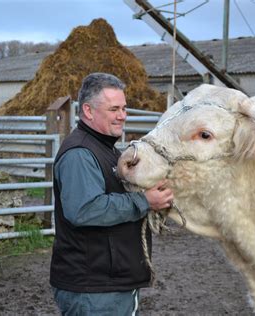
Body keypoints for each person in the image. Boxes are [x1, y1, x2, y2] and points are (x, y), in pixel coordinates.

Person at [50, 73, 173, 315]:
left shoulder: (106, 149)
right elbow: (85, 209)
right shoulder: (80, 154)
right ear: (88, 110)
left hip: (106, 283)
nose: (122, 115)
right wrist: (144, 201)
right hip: (93, 288)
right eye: (114, 108)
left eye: (124, 108)